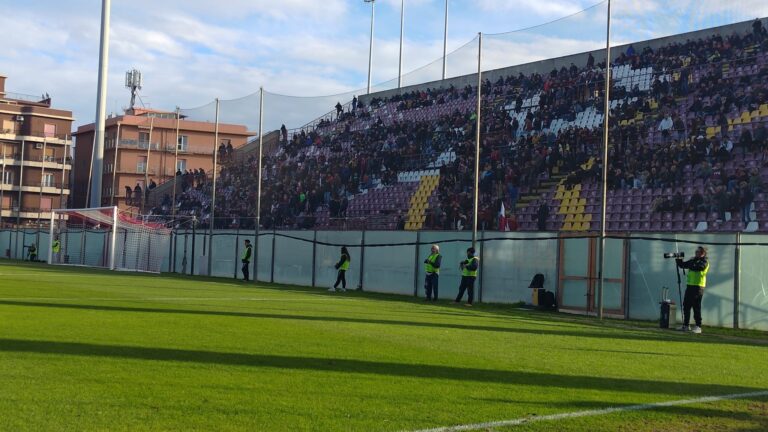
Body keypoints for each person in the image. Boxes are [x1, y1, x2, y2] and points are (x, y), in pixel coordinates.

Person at [676, 246, 709, 334]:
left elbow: (699, 267)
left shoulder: (704, 262)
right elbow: (682, 265)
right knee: (686, 305)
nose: (696, 253)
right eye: (696, 251)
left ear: (703, 253)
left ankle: (698, 326)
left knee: (696, 306)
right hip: (690, 286)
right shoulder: (693, 260)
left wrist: (691, 264)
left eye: (699, 252)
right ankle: (686, 325)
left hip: (698, 287)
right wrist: (679, 259)